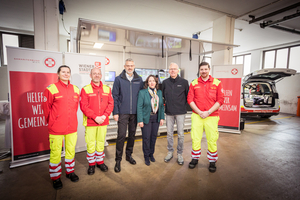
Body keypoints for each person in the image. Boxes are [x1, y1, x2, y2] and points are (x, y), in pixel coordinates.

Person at [43, 65, 80, 190]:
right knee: (55, 153)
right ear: (58, 74)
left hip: (72, 127)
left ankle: (70, 172)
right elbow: (46, 109)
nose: (66, 74)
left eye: (68, 72)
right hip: (56, 128)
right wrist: (53, 122)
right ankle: (55, 177)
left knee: (70, 150)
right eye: (63, 72)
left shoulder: (75, 89)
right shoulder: (51, 89)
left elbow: (75, 108)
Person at [187, 62, 224, 172]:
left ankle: (212, 161)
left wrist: (208, 112)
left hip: (212, 116)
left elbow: (220, 100)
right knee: (195, 138)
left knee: (212, 139)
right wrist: (199, 112)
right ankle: (195, 159)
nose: (203, 71)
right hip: (197, 116)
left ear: (209, 69)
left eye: (205, 69)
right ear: (199, 70)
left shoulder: (217, 83)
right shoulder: (194, 83)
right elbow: (190, 99)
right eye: (201, 69)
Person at [80, 67, 114, 175]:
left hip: (103, 121)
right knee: (90, 143)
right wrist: (95, 117)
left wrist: (104, 116)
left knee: (100, 142)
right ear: (90, 75)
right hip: (91, 122)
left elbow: (111, 104)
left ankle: (100, 162)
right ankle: (91, 164)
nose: (96, 75)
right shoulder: (85, 89)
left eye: (98, 73)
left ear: (101, 75)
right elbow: (83, 106)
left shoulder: (107, 89)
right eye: (94, 73)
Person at [112, 58, 144, 173]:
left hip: (135, 113)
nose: (130, 67)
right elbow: (114, 97)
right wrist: (115, 112)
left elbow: (142, 97)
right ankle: (118, 159)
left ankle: (128, 155)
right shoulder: (118, 79)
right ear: (124, 66)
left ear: (134, 66)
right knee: (121, 135)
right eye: (128, 65)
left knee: (132, 135)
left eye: (131, 65)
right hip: (122, 112)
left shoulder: (139, 80)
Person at [162, 63, 189, 165]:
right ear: (168, 71)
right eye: (171, 69)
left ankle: (180, 153)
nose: (172, 71)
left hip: (180, 113)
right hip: (169, 112)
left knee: (181, 134)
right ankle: (170, 152)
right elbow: (163, 96)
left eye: (174, 69)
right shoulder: (165, 82)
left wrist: (182, 106)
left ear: (178, 70)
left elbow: (188, 96)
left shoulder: (184, 82)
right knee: (169, 134)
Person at [137, 75, 165, 166]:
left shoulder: (159, 92)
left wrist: (161, 117)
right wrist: (140, 120)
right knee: (146, 138)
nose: (152, 82)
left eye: (153, 81)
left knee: (153, 138)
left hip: (156, 118)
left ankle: (151, 154)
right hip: (146, 118)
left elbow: (161, 106)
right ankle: (146, 156)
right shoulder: (142, 92)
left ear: (156, 83)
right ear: (147, 83)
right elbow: (139, 107)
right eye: (150, 81)